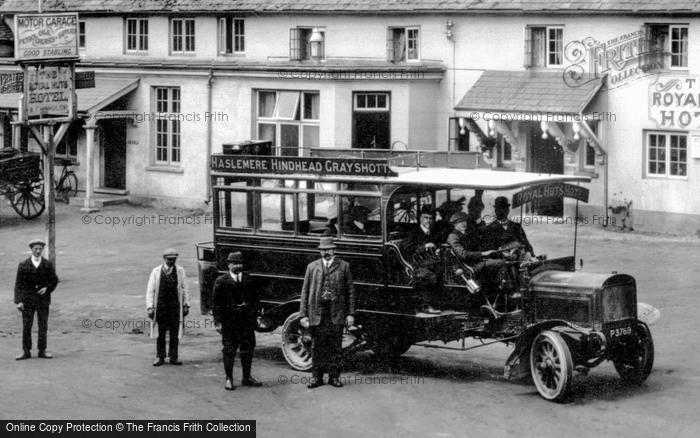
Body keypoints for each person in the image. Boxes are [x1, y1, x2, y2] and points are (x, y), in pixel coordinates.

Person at [299, 237, 355, 389]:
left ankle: (334, 377)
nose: (326, 252)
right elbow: (305, 292)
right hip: (317, 312)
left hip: (336, 312)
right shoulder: (312, 267)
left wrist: (350, 314)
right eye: (323, 250)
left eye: (329, 249)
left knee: (335, 346)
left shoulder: (344, 266)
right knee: (317, 347)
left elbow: (350, 291)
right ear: (320, 251)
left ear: (334, 250)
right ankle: (316, 378)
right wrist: (303, 315)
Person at [212, 251, 262, 390]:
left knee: (248, 349)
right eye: (235, 263)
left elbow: (256, 300)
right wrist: (218, 321)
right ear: (229, 265)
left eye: (240, 263)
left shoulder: (249, 279)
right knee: (229, 350)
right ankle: (229, 379)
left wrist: (254, 315)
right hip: (230, 323)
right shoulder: (221, 281)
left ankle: (247, 377)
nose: (238, 266)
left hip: (246, 322)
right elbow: (215, 304)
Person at [14, 238, 59, 360]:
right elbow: (18, 284)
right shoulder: (23, 265)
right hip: (27, 300)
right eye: (36, 249)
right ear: (31, 250)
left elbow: (54, 280)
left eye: (40, 249)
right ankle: (26, 351)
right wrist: (18, 301)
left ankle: (42, 351)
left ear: (42, 250)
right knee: (27, 326)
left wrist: (47, 289)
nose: (38, 251)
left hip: (42, 300)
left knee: (43, 326)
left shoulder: (47, 264)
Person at [146, 248, 191, 366]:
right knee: (160, 333)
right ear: (164, 258)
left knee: (174, 333)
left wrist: (186, 304)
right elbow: (150, 291)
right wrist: (150, 307)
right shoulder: (156, 271)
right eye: (169, 259)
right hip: (160, 307)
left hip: (175, 307)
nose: (171, 261)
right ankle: (159, 357)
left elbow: (186, 288)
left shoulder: (180, 271)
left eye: (173, 259)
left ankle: (173, 357)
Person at [402, 205, 443, 314]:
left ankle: (438, 303)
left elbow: (438, 243)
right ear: (420, 218)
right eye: (426, 218)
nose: (428, 221)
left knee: (442, 271)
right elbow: (407, 249)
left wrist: (438, 249)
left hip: (430, 262)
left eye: (430, 218)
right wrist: (424, 246)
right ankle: (426, 306)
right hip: (415, 264)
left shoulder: (433, 232)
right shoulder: (413, 232)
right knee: (430, 275)